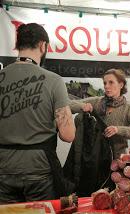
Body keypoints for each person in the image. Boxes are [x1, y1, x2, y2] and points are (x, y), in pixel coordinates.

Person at [0, 23, 76, 203]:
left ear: (18, 45)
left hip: (3, 168)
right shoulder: (54, 81)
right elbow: (68, 135)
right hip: (39, 170)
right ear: (43, 46)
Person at [69, 68, 130, 159]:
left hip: (117, 159)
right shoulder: (96, 102)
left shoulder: (129, 107)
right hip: (94, 158)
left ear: (121, 85)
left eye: (111, 82)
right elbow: (68, 105)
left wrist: (118, 130)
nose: (106, 86)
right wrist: (81, 106)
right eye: (105, 83)